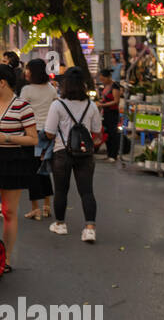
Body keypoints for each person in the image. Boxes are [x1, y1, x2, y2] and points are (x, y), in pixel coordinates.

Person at [0, 63, 39, 273]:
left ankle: (7, 259)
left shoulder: (22, 106)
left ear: (2, 83)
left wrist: (7, 138)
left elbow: (33, 139)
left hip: (13, 160)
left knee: (9, 212)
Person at [43, 68, 101, 243]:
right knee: (87, 191)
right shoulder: (91, 105)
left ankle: (60, 224)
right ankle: (90, 228)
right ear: (83, 85)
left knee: (61, 190)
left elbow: (49, 133)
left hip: (62, 153)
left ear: (65, 84)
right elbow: (97, 132)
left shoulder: (57, 105)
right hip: (85, 154)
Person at [20, 58, 57, 221]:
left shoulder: (27, 90)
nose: (26, 72)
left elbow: (21, 112)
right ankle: (47, 206)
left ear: (32, 71)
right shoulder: (51, 89)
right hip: (48, 133)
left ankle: (35, 208)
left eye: (28, 69)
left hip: (31, 133)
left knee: (31, 172)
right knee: (44, 169)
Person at [96, 68, 123, 162]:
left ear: (108, 78)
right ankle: (109, 154)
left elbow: (116, 101)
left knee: (112, 134)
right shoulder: (105, 86)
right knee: (106, 133)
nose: (102, 81)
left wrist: (102, 104)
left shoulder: (115, 86)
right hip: (105, 113)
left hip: (112, 113)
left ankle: (113, 155)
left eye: (103, 79)